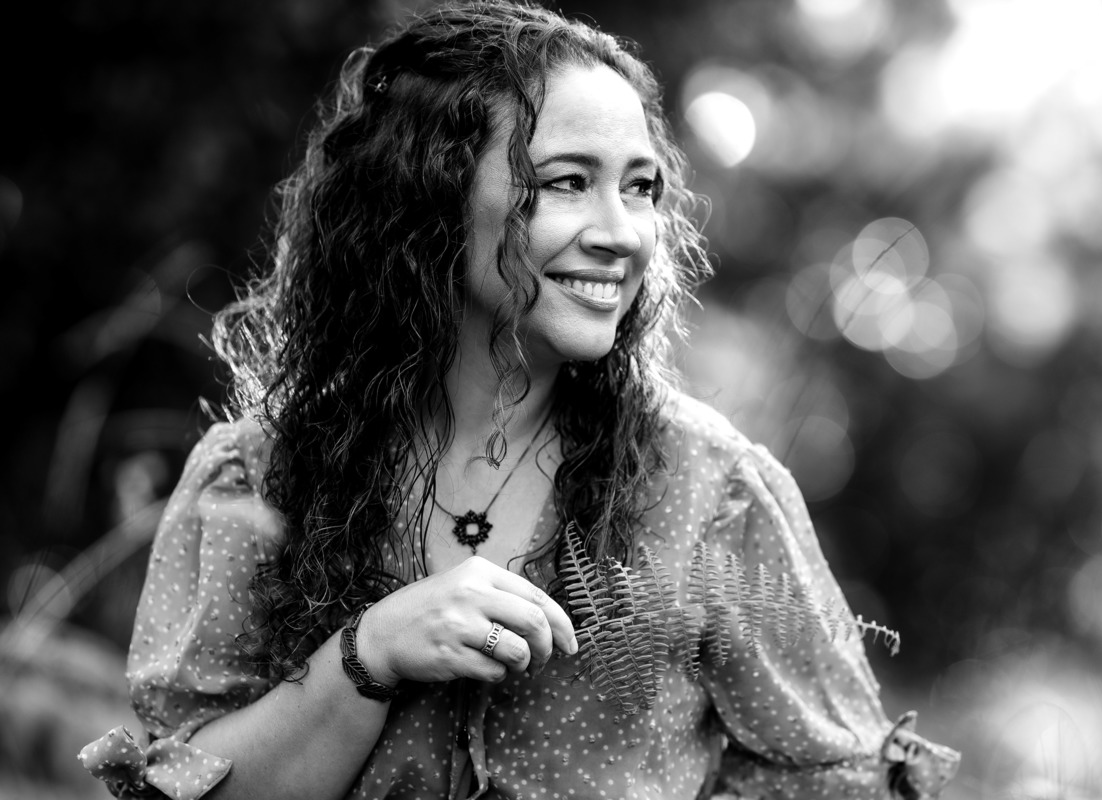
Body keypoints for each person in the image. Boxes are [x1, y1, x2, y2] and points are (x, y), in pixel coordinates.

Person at [79, 2, 959, 798]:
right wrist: (366, 656)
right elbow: (190, 788)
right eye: (568, 182)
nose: (622, 233)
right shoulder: (258, 478)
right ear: (427, 197)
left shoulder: (711, 491)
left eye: (642, 187)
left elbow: (837, 782)